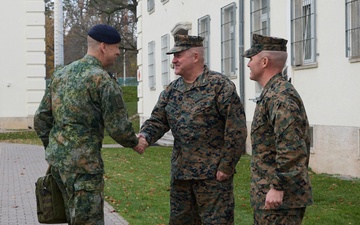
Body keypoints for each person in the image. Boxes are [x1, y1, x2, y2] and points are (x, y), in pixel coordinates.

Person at [34, 24, 148, 225]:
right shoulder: (102, 80)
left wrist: (53, 147)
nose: (118, 53)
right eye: (116, 47)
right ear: (103, 46)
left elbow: (41, 119)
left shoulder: (61, 74)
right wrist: (135, 142)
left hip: (58, 167)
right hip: (85, 168)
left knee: (72, 217)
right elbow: (118, 127)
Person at [138, 34, 247, 225]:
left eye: (178, 55)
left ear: (195, 57)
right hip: (182, 177)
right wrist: (144, 137)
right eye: (173, 55)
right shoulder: (171, 91)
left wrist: (226, 167)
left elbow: (236, 131)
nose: (173, 60)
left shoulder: (219, 86)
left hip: (212, 178)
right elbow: (157, 121)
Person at [242, 33, 313, 224]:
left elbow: (291, 147)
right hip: (270, 196)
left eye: (251, 58)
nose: (248, 64)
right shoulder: (272, 93)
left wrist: (278, 187)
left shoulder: (280, 97)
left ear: (264, 61)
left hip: (280, 200)